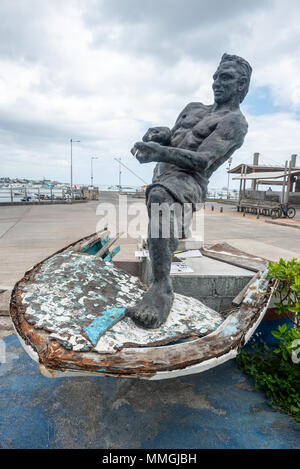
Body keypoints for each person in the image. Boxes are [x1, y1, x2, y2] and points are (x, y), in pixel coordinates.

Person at [126, 53, 252, 329]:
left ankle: (161, 288)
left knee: (160, 197)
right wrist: (160, 136)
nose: (217, 82)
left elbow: (202, 159)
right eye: (216, 76)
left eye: (226, 77)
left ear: (242, 86)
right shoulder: (193, 107)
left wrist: (159, 150)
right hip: (164, 174)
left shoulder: (235, 122)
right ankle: (175, 230)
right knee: (163, 209)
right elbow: (177, 139)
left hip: (190, 180)